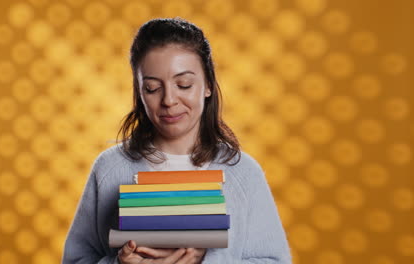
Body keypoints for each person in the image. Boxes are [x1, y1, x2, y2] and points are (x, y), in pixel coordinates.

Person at [63, 18, 292, 264]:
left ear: (208, 86)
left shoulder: (243, 173)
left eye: (184, 84)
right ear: (139, 93)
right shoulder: (109, 168)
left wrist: (207, 261)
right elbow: (75, 259)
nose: (169, 100)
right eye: (152, 88)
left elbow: (274, 261)